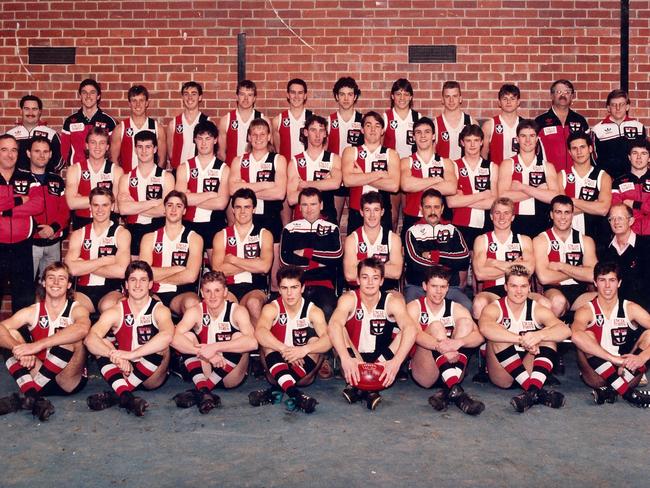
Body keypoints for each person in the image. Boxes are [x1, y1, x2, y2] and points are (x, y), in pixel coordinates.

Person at [0, 262, 90, 421]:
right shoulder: (32, 311)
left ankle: (27, 394)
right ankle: (33, 397)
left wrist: (35, 346)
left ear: (69, 284)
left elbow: (82, 329)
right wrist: (19, 349)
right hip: (39, 370)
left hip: (68, 380)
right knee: (10, 335)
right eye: (51, 278)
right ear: (43, 282)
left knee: (70, 337)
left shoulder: (77, 308)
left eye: (61, 279)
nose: (56, 283)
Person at [84, 261, 173, 417]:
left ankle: (119, 392)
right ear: (126, 284)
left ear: (150, 284)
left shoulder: (159, 309)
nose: (138, 284)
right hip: (123, 368)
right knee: (102, 343)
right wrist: (115, 356)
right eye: (133, 279)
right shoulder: (115, 311)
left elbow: (167, 335)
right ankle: (126, 396)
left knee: (162, 345)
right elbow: (90, 339)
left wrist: (131, 355)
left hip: (151, 373)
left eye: (143, 280)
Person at [478, 265, 571, 412]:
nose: (519, 291)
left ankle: (532, 392)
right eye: (513, 286)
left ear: (529, 288)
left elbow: (564, 330)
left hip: (528, 364)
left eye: (523, 286)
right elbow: (485, 328)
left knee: (549, 336)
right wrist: (521, 340)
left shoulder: (536, 308)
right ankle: (536, 390)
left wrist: (539, 335)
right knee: (498, 334)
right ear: (506, 287)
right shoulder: (494, 308)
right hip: (502, 371)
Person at [328, 258, 417, 410]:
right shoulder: (348, 299)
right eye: (365, 277)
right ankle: (370, 390)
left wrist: (396, 362)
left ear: (382, 281)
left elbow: (410, 329)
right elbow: (334, 325)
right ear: (357, 280)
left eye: (375, 278)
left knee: (408, 329)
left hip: (382, 361)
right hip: (353, 360)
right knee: (338, 327)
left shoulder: (391, 301)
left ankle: (358, 387)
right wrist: (345, 358)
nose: (370, 282)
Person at [171, 271, 257, 413]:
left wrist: (215, 347)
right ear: (201, 293)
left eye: (217, 290)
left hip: (231, 373)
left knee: (238, 337)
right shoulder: (195, 311)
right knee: (185, 336)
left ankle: (202, 389)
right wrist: (205, 353)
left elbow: (253, 343)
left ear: (225, 292)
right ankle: (205, 392)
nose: (212, 296)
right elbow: (173, 338)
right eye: (208, 291)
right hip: (207, 367)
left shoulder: (237, 311)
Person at [249, 265, 331, 413]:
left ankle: (275, 391)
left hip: (302, 369)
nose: (289, 293)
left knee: (315, 342)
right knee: (267, 341)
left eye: (294, 287)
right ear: (279, 290)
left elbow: (328, 341)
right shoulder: (272, 308)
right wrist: (285, 350)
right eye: (285, 288)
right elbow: (260, 332)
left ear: (302, 288)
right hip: (276, 361)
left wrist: (303, 350)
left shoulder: (313, 311)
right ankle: (296, 395)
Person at [407, 265, 485, 415]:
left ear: (448, 288)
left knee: (466, 323)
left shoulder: (456, 308)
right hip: (425, 372)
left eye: (442, 287)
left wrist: (459, 343)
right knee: (436, 326)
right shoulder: (414, 307)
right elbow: (415, 335)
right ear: (424, 286)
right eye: (434, 286)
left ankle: (449, 390)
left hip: (454, 366)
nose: (438, 291)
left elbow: (480, 336)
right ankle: (457, 393)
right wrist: (440, 347)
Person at [571, 261, 650, 407]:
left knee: (648, 336)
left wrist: (642, 357)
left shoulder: (630, 308)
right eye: (602, 280)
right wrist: (613, 359)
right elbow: (575, 335)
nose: (607, 286)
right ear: (595, 282)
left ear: (619, 283)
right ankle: (627, 393)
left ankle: (610, 391)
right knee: (585, 336)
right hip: (596, 375)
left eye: (612, 280)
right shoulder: (586, 310)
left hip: (625, 371)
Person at [229, 118, 287, 290]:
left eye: (262, 134)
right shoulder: (239, 161)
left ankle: (275, 293)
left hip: (271, 217)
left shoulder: (278, 160)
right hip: (245, 219)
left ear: (269, 136)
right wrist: (266, 185)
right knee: (250, 265)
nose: (258, 137)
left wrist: (246, 187)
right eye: (254, 134)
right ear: (248, 137)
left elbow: (279, 193)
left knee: (274, 266)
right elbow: (233, 191)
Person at [211, 188, 273, 326]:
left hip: (255, 287)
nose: (242, 211)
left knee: (253, 303)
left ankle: (261, 346)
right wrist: (253, 263)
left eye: (247, 207)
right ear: (232, 210)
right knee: (228, 306)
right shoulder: (221, 235)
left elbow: (264, 267)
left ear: (254, 209)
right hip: (228, 287)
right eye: (238, 207)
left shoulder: (264, 234)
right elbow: (218, 270)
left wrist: (233, 260)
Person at [65, 187, 130, 315]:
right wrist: (103, 261)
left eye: (104, 205)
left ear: (112, 207)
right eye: (96, 205)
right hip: (83, 291)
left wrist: (83, 264)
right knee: (72, 307)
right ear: (90, 207)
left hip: (111, 290)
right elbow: (71, 269)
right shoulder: (79, 234)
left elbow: (122, 271)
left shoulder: (121, 233)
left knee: (108, 306)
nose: (100, 210)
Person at [280, 187, 342, 320]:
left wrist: (305, 252)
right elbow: (285, 261)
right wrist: (319, 262)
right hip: (295, 286)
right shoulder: (290, 229)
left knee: (327, 309)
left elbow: (336, 256)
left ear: (321, 205)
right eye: (304, 205)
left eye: (313, 204)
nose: (309, 209)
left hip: (323, 284)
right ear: (299, 207)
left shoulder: (332, 228)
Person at [404, 188, 471, 309]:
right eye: (428, 207)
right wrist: (447, 263)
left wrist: (434, 256)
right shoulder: (412, 232)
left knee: (468, 306)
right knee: (409, 311)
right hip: (418, 287)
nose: (432, 211)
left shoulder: (452, 230)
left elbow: (464, 258)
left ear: (442, 208)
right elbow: (415, 263)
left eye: (436, 207)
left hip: (449, 288)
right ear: (421, 208)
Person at [139, 191, 203, 315]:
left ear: (184, 211)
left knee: (192, 304)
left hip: (182, 293)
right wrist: (177, 269)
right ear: (164, 209)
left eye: (178, 206)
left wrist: (158, 275)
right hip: (153, 293)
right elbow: (143, 275)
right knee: (144, 304)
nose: (173, 209)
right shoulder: (149, 238)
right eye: (170, 205)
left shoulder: (194, 238)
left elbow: (190, 276)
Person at [533, 195, 598, 317]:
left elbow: (593, 275)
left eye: (567, 212)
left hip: (580, 291)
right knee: (558, 301)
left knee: (605, 299)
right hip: (553, 290)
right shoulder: (541, 240)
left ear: (572, 215)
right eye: (558, 212)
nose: (563, 217)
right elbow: (544, 278)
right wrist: (579, 270)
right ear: (552, 214)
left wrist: (561, 266)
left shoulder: (585, 240)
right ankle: (553, 333)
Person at [0, 134, 44, 313]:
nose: (9, 154)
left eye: (13, 150)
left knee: (24, 300)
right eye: (4, 150)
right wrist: (20, 200)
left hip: (22, 248)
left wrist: (7, 210)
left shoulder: (28, 178)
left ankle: (21, 340)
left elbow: (38, 205)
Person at [472, 197, 536, 319]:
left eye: (506, 213)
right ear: (491, 216)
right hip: (492, 290)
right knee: (479, 303)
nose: (502, 218)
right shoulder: (482, 240)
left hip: (521, 290)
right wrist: (515, 266)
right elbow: (480, 273)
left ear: (512, 217)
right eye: (497, 213)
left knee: (545, 303)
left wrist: (494, 262)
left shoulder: (524, 240)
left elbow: (529, 269)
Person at [175, 120, 230, 261]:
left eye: (208, 138)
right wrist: (210, 195)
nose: (203, 143)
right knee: (187, 269)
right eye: (200, 138)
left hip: (214, 224)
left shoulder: (224, 169)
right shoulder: (184, 167)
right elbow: (180, 201)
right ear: (194, 140)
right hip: (189, 224)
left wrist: (191, 198)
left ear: (215, 140)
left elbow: (221, 204)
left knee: (217, 270)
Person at [498, 119, 559, 238]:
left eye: (531, 136)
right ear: (517, 139)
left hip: (542, 221)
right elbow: (503, 196)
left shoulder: (547, 166)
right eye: (523, 136)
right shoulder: (508, 164)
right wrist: (538, 190)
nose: (527, 140)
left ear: (537, 139)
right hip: (515, 221)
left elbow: (554, 197)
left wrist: (522, 187)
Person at [117, 131, 174, 257]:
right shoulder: (125, 178)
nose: (144, 151)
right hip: (133, 231)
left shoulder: (167, 177)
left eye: (148, 147)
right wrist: (154, 202)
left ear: (155, 149)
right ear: (135, 149)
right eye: (140, 147)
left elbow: (166, 210)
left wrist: (134, 206)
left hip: (158, 229)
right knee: (134, 273)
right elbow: (123, 209)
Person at [342, 111, 400, 232]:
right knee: (355, 250)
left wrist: (361, 176)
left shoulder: (391, 154)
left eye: (377, 126)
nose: (373, 129)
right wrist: (378, 174)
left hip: (382, 213)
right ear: (362, 130)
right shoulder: (351, 151)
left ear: (383, 130)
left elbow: (394, 186)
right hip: (357, 212)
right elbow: (348, 181)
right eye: (368, 125)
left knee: (383, 250)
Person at [400, 117, 457, 239]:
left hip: (440, 218)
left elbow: (451, 188)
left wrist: (418, 184)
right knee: (410, 257)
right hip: (413, 217)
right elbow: (406, 185)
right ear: (414, 137)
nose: (423, 136)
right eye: (418, 132)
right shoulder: (406, 161)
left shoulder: (446, 162)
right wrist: (436, 179)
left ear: (434, 136)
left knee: (443, 257)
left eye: (427, 131)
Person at [447, 124, 498, 250]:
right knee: (461, 267)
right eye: (468, 140)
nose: (472, 144)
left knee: (480, 265)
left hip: (485, 225)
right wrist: (482, 195)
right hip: (460, 223)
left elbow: (494, 203)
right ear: (462, 142)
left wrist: (462, 200)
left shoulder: (492, 167)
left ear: (481, 142)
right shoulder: (453, 166)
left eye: (476, 140)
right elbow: (451, 202)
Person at [287, 114, 342, 224]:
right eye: (313, 130)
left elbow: (335, 183)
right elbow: (291, 199)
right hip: (301, 220)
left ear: (325, 134)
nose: (317, 135)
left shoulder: (334, 159)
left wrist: (305, 185)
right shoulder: (295, 162)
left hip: (327, 218)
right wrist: (324, 184)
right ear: (306, 132)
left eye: (321, 130)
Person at [558, 131, 612, 244]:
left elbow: (603, 209)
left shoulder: (603, 176)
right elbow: (560, 211)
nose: (579, 152)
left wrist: (571, 201)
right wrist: (593, 205)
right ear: (569, 152)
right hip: (567, 237)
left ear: (590, 148)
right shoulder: (561, 175)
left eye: (582, 147)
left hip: (596, 235)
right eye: (574, 148)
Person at [65, 127, 123, 230]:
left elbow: (117, 206)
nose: (97, 147)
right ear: (87, 145)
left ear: (107, 147)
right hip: (82, 222)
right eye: (93, 142)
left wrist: (81, 199)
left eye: (102, 143)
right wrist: (106, 201)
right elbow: (71, 203)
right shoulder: (74, 169)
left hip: (109, 224)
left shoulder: (116, 171)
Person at [343, 191, 402, 291]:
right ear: (361, 212)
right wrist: (384, 266)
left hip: (386, 290)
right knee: (343, 303)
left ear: (382, 212)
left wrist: (360, 264)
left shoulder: (393, 238)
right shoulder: (352, 239)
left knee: (399, 303)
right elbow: (349, 274)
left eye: (376, 210)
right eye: (367, 210)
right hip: (358, 291)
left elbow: (396, 273)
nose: (372, 215)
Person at [383, 78, 421, 231]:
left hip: (411, 173)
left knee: (409, 216)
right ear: (392, 96)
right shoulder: (385, 118)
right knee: (391, 217)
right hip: (391, 173)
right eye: (398, 94)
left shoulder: (417, 118)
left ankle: (407, 251)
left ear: (411, 97)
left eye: (406, 94)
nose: (402, 98)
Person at [29, 136, 69, 280]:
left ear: (51, 154)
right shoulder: (20, 179)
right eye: (37, 151)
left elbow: (64, 210)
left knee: (51, 285)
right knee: (27, 287)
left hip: (53, 242)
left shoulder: (56, 180)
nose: (41, 155)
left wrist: (53, 228)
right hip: (31, 243)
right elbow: (19, 211)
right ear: (29, 153)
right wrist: (38, 229)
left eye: (45, 151)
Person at [597, 203, 649, 309]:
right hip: (612, 304)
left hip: (643, 304)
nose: (616, 222)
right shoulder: (603, 248)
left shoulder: (646, 244)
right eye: (612, 219)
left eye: (620, 218)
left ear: (631, 221)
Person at [327, 76, 364, 225]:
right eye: (342, 94)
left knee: (357, 219)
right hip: (336, 177)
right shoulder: (329, 121)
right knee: (333, 221)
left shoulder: (363, 121)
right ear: (336, 96)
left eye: (350, 94)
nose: (346, 98)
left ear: (355, 96)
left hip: (355, 177)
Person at [534, 79, 589, 174]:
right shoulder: (540, 122)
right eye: (558, 92)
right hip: (549, 177)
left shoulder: (580, 121)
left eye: (567, 92)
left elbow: (589, 150)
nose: (563, 95)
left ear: (572, 96)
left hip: (576, 177)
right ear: (552, 95)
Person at [592, 89, 647, 180]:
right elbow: (593, 159)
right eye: (614, 105)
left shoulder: (638, 127)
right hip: (608, 180)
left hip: (634, 179)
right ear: (608, 108)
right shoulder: (597, 130)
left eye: (621, 104)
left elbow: (644, 154)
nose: (618, 108)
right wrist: (602, 178)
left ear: (627, 106)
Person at [111, 85, 167, 172]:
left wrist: (155, 177)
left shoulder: (157, 128)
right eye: (134, 101)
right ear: (129, 104)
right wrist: (122, 178)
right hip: (128, 181)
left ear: (146, 103)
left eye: (141, 100)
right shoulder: (120, 129)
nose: (138, 104)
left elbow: (162, 159)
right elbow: (114, 160)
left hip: (150, 182)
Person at [61, 79, 116, 167]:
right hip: (77, 172)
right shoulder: (70, 121)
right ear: (80, 96)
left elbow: (113, 151)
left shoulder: (108, 121)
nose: (88, 96)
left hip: (101, 172)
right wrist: (72, 166)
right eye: (84, 92)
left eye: (92, 92)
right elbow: (64, 150)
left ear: (98, 96)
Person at [6, 94, 62, 173]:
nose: (30, 112)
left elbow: (60, 160)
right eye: (26, 109)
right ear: (21, 111)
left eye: (34, 109)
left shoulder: (51, 134)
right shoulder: (10, 135)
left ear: (40, 112)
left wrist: (47, 175)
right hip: (16, 181)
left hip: (43, 181)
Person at [218, 80, 268, 166]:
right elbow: (221, 153)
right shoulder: (226, 120)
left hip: (255, 171)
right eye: (242, 94)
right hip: (232, 171)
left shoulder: (263, 120)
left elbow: (269, 150)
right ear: (237, 97)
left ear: (254, 98)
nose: (245, 98)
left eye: (250, 95)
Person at [166, 81, 211, 171]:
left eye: (194, 94)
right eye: (186, 94)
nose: (190, 97)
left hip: (200, 173)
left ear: (200, 97)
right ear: (182, 97)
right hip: (178, 173)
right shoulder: (173, 124)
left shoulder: (208, 122)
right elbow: (170, 154)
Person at [610, 139, 650, 236]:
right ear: (629, 157)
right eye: (635, 153)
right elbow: (616, 210)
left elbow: (626, 209)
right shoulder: (618, 182)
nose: (639, 157)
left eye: (644, 153)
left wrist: (635, 204)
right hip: (628, 236)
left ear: (649, 158)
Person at [433, 81, 476, 160]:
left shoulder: (471, 122)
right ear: (442, 100)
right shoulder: (435, 124)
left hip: (466, 171)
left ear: (460, 99)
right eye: (447, 96)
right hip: (444, 171)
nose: (451, 100)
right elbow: (431, 155)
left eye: (455, 96)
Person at [481, 84, 523, 165]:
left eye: (512, 99)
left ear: (518, 102)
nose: (508, 102)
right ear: (499, 102)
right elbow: (483, 155)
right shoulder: (489, 125)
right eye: (505, 99)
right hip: (497, 174)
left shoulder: (524, 125)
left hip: (520, 174)